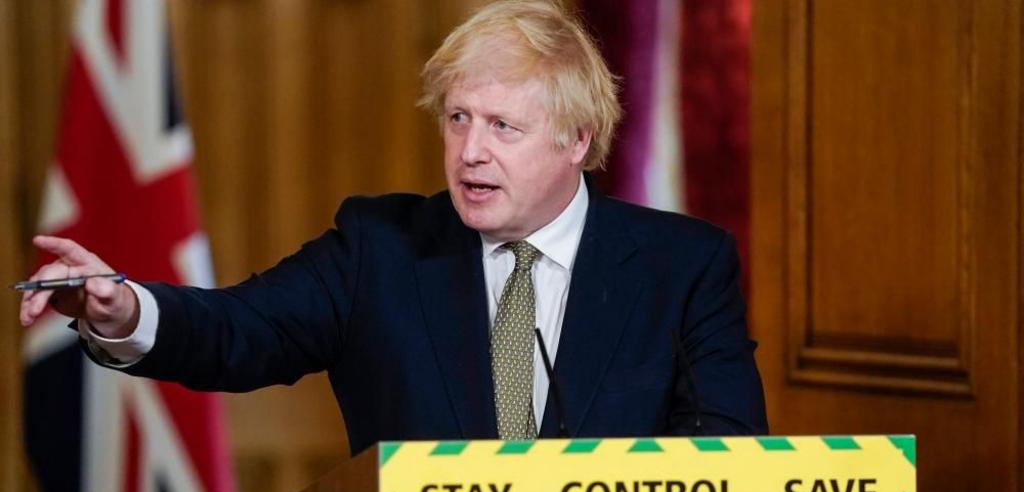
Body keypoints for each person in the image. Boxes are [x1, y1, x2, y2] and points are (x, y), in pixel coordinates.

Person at [19, 0, 767, 455]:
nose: (470, 151)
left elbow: (724, 460)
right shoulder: (379, 249)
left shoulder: (683, 266)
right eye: (458, 119)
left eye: (503, 126)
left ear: (576, 140)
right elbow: (236, 328)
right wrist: (122, 307)